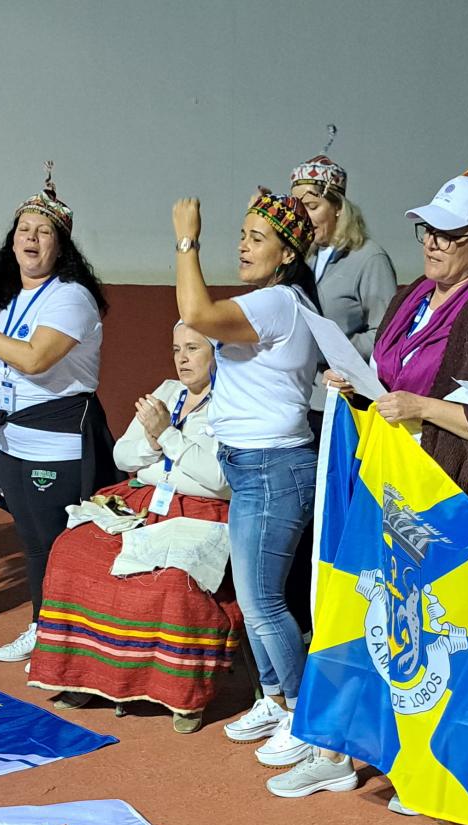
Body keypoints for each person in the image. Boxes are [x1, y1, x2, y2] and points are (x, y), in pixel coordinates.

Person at [266, 157, 468, 807]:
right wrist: (355, 385)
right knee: (370, 618)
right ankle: (341, 751)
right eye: (427, 231)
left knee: (432, 633)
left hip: (445, 490)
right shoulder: (417, 296)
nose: (432, 243)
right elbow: (389, 378)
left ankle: (422, 766)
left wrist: (423, 409)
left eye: (448, 235)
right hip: (388, 481)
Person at [0, 163, 117, 663]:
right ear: (12, 242)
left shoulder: (71, 298)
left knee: (64, 546)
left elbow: (34, 358)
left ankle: (76, 642)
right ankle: (42, 625)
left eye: (44, 232)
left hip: (58, 441)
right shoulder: (10, 299)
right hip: (14, 438)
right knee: (33, 543)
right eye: (24, 230)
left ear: (61, 246)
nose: (32, 239)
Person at [170, 190, 321, 766]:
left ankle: (305, 718)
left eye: (257, 238)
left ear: (286, 254)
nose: (243, 244)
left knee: (264, 603)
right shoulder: (272, 299)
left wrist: (187, 240)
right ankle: (276, 697)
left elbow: (197, 314)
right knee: (257, 598)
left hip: (273, 467)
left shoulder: (279, 302)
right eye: (243, 234)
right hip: (250, 464)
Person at [27, 322, 240, 731]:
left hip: (202, 511)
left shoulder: (232, 401)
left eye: (193, 348)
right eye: (176, 348)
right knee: (73, 551)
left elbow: (217, 479)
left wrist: (165, 435)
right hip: (144, 498)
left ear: (218, 353)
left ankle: (182, 697)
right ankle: (82, 675)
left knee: (174, 579)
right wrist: (161, 446)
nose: (182, 358)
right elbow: (125, 455)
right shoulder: (167, 392)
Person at [289, 154, 397, 432]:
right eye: (299, 208)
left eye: (312, 206)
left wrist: (339, 348)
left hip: (345, 399)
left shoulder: (369, 258)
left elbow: (385, 333)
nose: (304, 216)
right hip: (303, 397)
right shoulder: (306, 257)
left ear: (338, 207)